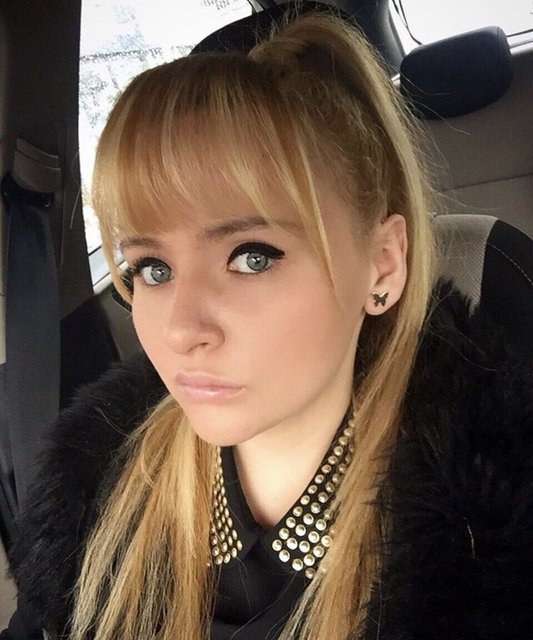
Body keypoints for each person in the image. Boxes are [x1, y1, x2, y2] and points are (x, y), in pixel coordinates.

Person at [3, 11, 532, 640]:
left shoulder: (489, 547)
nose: (181, 331)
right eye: (151, 268)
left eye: (251, 257)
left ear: (383, 265)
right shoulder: (94, 495)